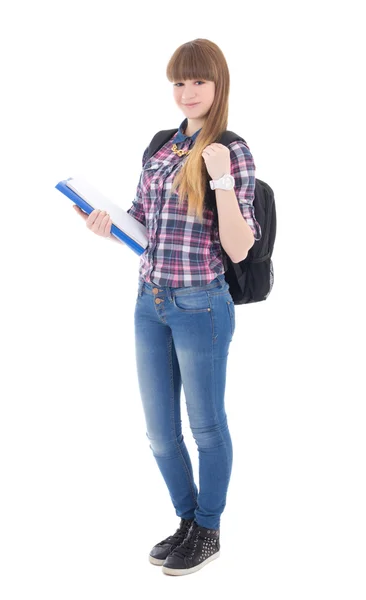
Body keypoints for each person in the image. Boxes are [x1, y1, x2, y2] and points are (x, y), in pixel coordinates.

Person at [73, 38, 262, 577]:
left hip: (201, 303)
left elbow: (239, 247)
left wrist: (221, 176)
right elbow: (141, 222)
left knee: (205, 425)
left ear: (218, 84)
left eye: (198, 81)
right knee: (159, 430)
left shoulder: (231, 148)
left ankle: (209, 528)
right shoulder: (161, 144)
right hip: (149, 301)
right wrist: (106, 227)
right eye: (179, 82)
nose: (187, 92)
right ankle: (186, 521)